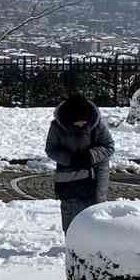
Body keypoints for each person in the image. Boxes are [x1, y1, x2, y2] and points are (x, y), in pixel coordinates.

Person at [46, 91, 114, 232]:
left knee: (94, 213)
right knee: (70, 213)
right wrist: (69, 158)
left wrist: (90, 156)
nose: (82, 124)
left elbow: (109, 147)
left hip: (94, 176)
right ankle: (72, 243)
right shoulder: (57, 127)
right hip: (68, 178)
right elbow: (51, 149)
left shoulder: (97, 125)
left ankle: (92, 245)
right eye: (78, 122)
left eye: (84, 122)